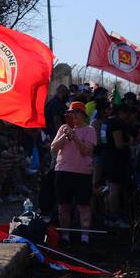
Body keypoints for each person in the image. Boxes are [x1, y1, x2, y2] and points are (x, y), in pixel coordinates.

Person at [51, 101, 98, 243]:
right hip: (63, 171)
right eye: (71, 113)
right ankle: (65, 236)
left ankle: (85, 238)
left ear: (83, 115)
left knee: (83, 206)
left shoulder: (90, 130)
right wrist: (64, 136)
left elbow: (86, 151)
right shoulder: (63, 128)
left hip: (82, 173)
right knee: (63, 205)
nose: (73, 116)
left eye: (76, 113)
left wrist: (75, 137)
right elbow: (53, 148)